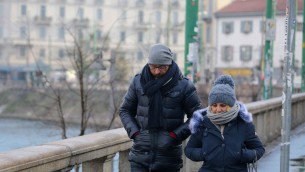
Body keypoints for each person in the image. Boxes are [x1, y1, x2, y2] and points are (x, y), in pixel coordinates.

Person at [119, 43, 203, 172]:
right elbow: (125, 110)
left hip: (169, 157)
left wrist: (175, 136)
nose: (157, 71)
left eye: (162, 67)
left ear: (169, 64)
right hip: (140, 156)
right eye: (153, 67)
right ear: (148, 64)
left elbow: (198, 116)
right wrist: (135, 133)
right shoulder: (138, 82)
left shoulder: (184, 85)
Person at [184, 75, 265, 172]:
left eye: (222, 105)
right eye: (214, 105)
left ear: (231, 105)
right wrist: (204, 153)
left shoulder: (244, 123)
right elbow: (189, 150)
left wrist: (242, 155)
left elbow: (259, 149)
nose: (218, 109)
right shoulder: (203, 123)